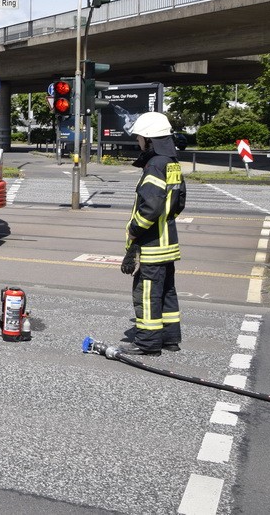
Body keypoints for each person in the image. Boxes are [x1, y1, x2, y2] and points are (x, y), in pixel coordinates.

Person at [118, 112, 187, 356]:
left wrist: (134, 231)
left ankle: (147, 343)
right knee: (167, 291)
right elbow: (178, 203)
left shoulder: (155, 165)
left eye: (139, 138)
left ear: (148, 139)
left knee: (146, 293)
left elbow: (150, 206)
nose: (138, 142)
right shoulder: (171, 163)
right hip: (168, 243)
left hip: (152, 246)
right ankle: (170, 339)